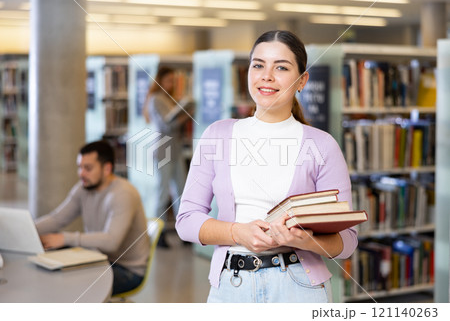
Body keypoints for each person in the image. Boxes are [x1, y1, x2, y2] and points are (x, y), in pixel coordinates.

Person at [176, 30, 358, 303]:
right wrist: (237, 232)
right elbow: (186, 221)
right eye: (258, 65)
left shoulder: (322, 145)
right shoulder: (217, 135)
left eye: (281, 67)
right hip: (231, 286)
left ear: (302, 80)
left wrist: (301, 239)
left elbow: (347, 241)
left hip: (299, 287)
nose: (266, 76)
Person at [35, 141, 151, 295]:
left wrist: (64, 238)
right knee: (47, 266)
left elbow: (111, 242)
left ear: (107, 169)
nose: (81, 173)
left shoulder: (123, 194)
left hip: (126, 269)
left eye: (88, 168)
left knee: (66, 284)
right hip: (97, 257)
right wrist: (27, 230)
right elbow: (57, 219)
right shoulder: (84, 188)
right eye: (80, 167)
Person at [142, 66, 192, 248]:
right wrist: (186, 117)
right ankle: (159, 233)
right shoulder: (156, 99)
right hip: (164, 149)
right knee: (163, 193)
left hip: (176, 148)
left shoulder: (170, 98)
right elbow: (166, 125)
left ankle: (184, 232)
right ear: (160, 81)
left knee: (181, 191)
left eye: (172, 80)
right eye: (168, 80)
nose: (171, 84)